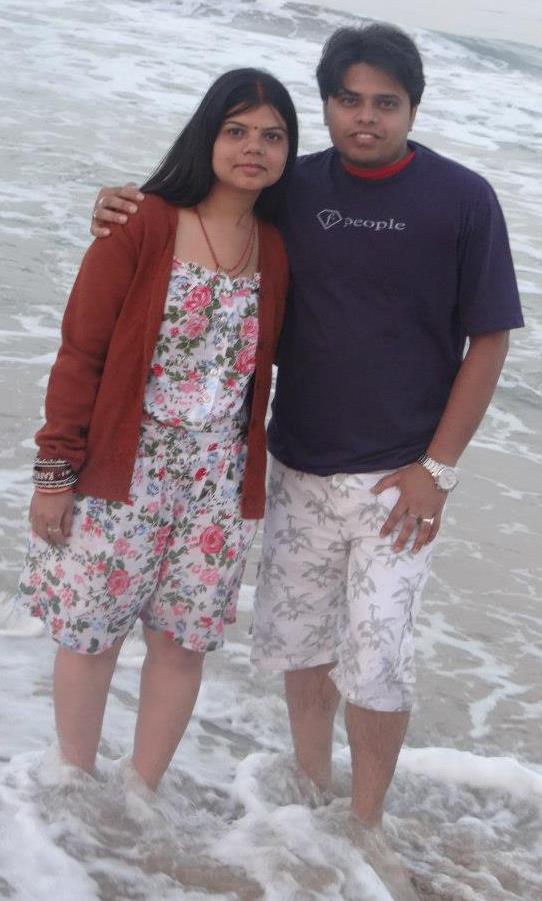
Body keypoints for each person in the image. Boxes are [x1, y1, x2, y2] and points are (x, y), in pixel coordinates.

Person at [89, 24, 523, 824]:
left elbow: (489, 339)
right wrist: (121, 202)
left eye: (386, 103)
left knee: (379, 659)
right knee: (303, 646)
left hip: (400, 478)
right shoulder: (295, 187)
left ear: (413, 107)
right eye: (349, 100)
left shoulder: (463, 199)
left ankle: (365, 825)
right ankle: (316, 795)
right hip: (295, 463)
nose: (366, 117)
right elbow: (207, 208)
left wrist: (438, 470)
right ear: (326, 105)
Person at [17, 68, 298, 790]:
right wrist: (55, 474)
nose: (254, 147)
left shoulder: (277, 245)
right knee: (92, 635)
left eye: (272, 136)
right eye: (236, 130)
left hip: (218, 484)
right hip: (123, 470)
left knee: (182, 642)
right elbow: (80, 353)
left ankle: (142, 796)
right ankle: (74, 787)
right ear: (207, 135)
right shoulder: (140, 222)